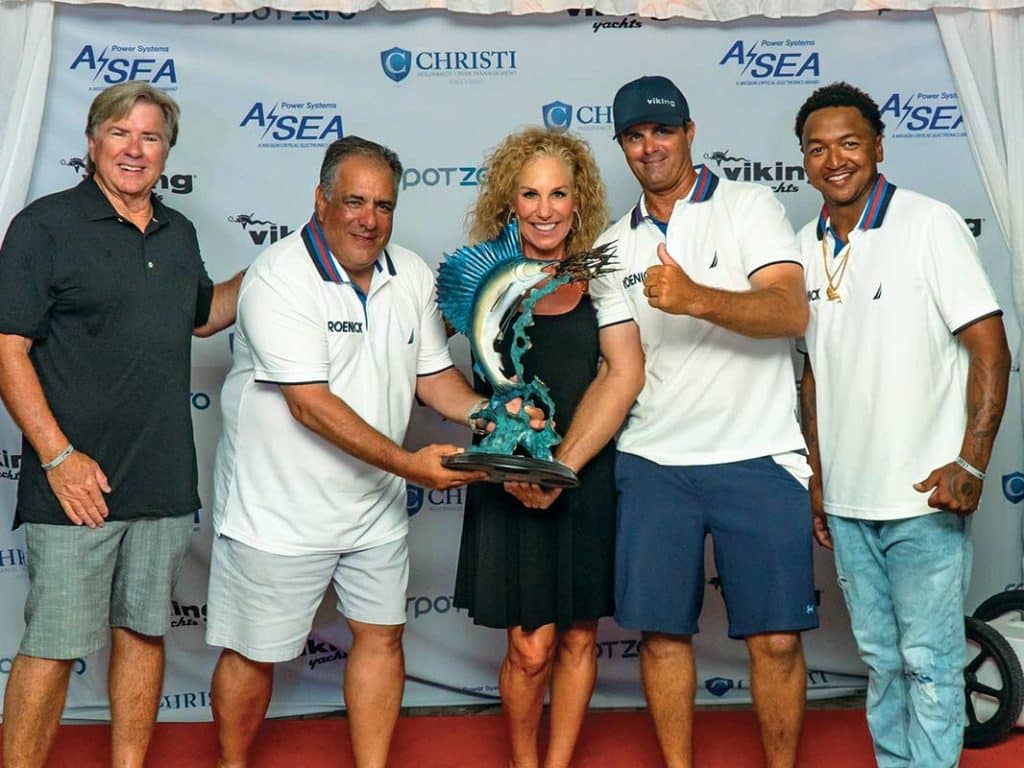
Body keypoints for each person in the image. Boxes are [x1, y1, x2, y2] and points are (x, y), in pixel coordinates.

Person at [531, 75, 818, 768]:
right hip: (656, 463)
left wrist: (696, 298)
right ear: (623, 147)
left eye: (662, 130)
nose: (650, 145)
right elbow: (619, 373)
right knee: (661, 636)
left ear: (690, 131)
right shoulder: (613, 245)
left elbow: (789, 312)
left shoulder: (748, 206)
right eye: (634, 135)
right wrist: (559, 462)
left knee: (776, 640)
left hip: (760, 455)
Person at [206, 135, 499, 768]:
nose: (370, 220)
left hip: (373, 508)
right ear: (321, 200)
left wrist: (497, 414)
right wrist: (412, 467)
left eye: (384, 206)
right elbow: (310, 403)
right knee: (254, 653)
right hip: (276, 511)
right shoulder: (278, 276)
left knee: (382, 638)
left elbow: (433, 380)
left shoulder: (412, 273)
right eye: (355, 202)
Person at [0, 82, 242, 768]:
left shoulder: (179, 231)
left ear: (167, 151)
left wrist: (276, 268)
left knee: (143, 634)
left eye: (151, 137)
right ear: (92, 141)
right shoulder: (44, 227)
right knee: (52, 643)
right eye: (120, 134)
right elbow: (6, 347)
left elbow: (202, 314)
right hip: (76, 480)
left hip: (161, 477)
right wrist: (57, 458)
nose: (136, 149)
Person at [795, 81, 1010, 768]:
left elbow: (990, 347)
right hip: (852, 503)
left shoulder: (929, 223)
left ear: (878, 147)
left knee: (929, 660)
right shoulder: (803, 244)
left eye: (850, 143)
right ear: (803, 159)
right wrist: (821, 483)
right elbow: (813, 376)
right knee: (883, 662)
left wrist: (972, 462)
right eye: (818, 148)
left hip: (925, 500)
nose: (835, 160)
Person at [451, 127, 617, 768]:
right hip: (511, 478)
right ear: (509, 203)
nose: (544, 208)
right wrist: (511, 457)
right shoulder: (478, 279)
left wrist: (565, 465)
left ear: (579, 201)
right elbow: (441, 378)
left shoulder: (602, 279)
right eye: (530, 194)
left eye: (558, 193)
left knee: (578, 636)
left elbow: (618, 373)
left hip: (585, 473)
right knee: (530, 648)